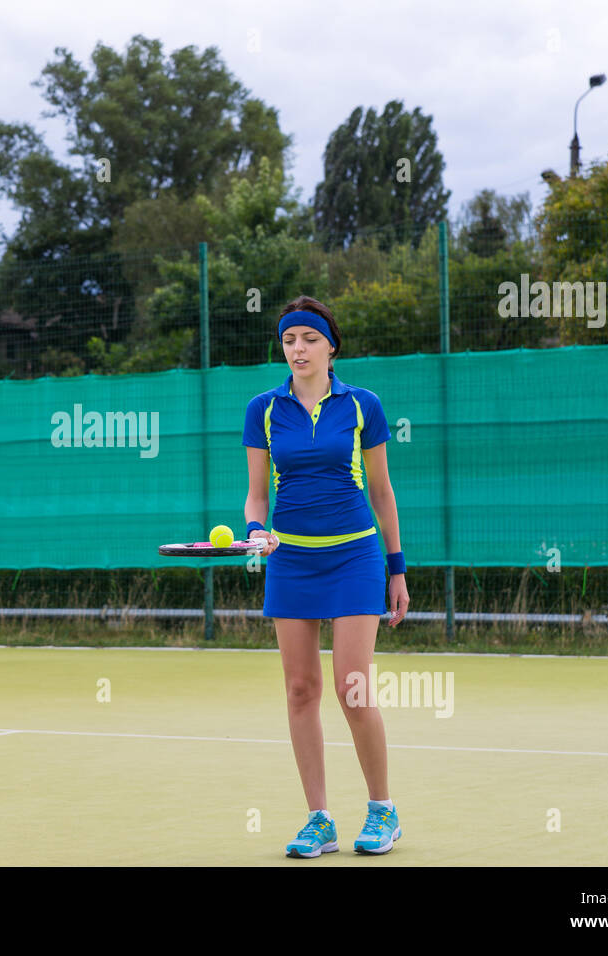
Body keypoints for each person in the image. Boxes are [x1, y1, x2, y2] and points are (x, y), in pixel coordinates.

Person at [241, 295, 410, 858]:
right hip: (291, 560)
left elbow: (382, 492)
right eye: (289, 340)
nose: (298, 349)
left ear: (330, 345)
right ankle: (319, 820)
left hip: (356, 558)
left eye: (309, 339)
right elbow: (257, 495)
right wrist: (256, 529)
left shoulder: (363, 404)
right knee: (299, 690)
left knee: (352, 688)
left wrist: (397, 569)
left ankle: (382, 812)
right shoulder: (263, 409)